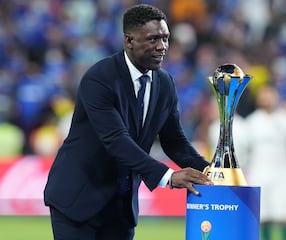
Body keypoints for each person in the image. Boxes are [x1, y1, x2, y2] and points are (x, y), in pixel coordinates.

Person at [43, 4, 212, 240]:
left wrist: (211, 172)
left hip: (120, 208)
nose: (162, 46)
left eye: (165, 38)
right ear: (128, 40)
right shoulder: (99, 78)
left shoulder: (164, 83)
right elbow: (115, 140)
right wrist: (168, 177)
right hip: (78, 199)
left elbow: (174, 141)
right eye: (153, 39)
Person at [245, 84, 286, 240]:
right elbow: (247, 150)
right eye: (263, 94)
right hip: (259, 173)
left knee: (284, 216)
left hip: (281, 174)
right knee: (263, 216)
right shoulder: (252, 122)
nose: (266, 98)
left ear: (276, 96)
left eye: (269, 94)